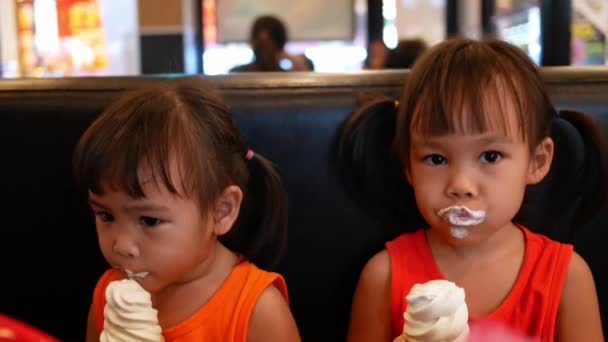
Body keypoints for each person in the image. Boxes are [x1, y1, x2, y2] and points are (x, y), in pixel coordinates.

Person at [337, 38, 607, 341]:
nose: (460, 186)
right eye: (436, 158)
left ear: (537, 161)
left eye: (490, 156)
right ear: (408, 167)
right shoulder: (383, 278)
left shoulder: (568, 278)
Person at [75, 81, 301, 341]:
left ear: (221, 211)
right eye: (106, 215)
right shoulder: (109, 295)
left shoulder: (257, 312)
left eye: (149, 220)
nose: (121, 246)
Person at [230, 15, 312, 72]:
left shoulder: (234, 75)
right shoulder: (292, 75)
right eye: (262, 45)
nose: (265, 51)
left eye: (268, 45)